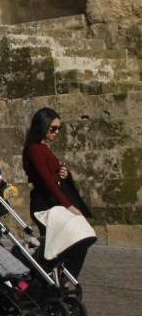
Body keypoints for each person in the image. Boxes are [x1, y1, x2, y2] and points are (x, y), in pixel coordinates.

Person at [22, 109, 93, 267]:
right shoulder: (34, 149)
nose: (56, 132)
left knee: (78, 239)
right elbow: (46, 181)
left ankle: (64, 279)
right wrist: (69, 206)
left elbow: (52, 177)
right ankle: (54, 277)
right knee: (72, 240)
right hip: (45, 204)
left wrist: (63, 173)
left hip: (53, 201)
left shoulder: (43, 147)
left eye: (58, 129)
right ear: (42, 126)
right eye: (52, 128)